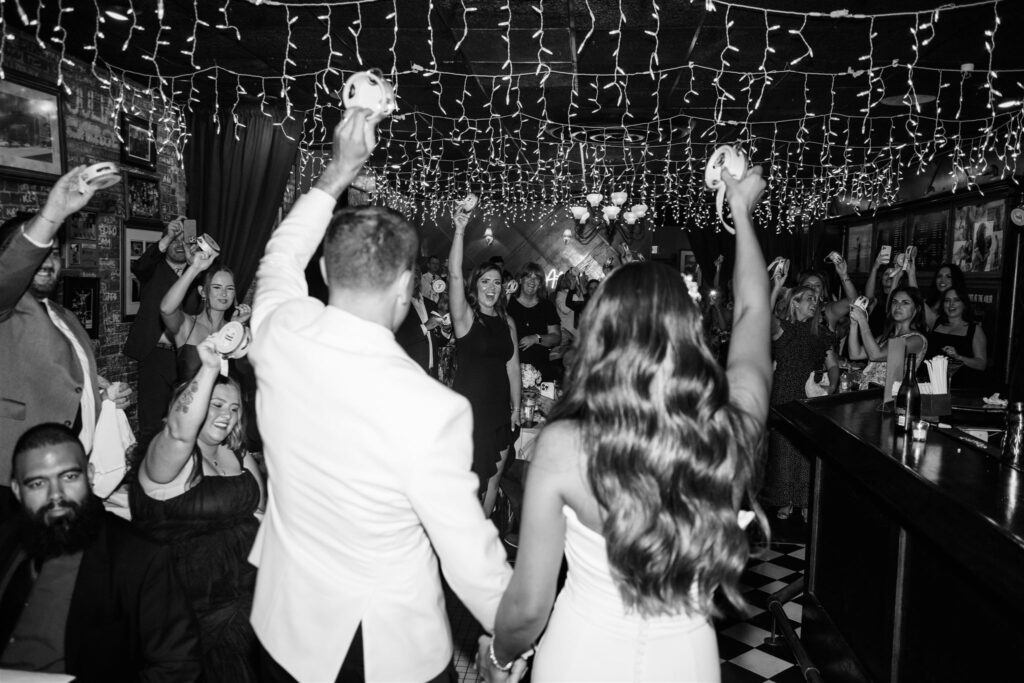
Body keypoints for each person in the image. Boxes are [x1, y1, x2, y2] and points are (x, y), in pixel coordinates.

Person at [247, 109, 512, 683]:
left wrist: (338, 172)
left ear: (325, 266)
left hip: (280, 633)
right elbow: (471, 559)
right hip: (385, 653)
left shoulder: (277, 333)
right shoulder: (434, 410)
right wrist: (511, 637)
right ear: (405, 288)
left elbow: (278, 256)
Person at [479, 166, 772, 682]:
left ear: (600, 336)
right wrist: (742, 212)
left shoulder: (565, 444)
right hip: (685, 662)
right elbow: (752, 312)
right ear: (689, 335)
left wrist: (500, 657)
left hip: (580, 655)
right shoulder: (726, 428)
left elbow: (528, 607)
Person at [0, 423, 201, 680]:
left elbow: (179, 667)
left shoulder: (140, 557)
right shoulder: (7, 540)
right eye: (38, 483)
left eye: (69, 477)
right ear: (17, 490)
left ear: (90, 475)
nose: (56, 495)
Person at [131, 336, 266, 681]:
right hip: (193, 608)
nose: (227, 415)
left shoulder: (239, 456)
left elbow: (260, 518)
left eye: (235, 408)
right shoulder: (168, 459)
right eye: (217, 404)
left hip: (253, 597)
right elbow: (179, 433)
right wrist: (208, 367)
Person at [0, 168, 133, 516]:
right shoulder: (6, 308)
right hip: (18, 475)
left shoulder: (64, 315)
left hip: (73, 472)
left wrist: (103, 396)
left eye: (56, 253)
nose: (49, 260)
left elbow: (70, 386)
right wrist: (53, 214)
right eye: (40, 251)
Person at [449, 203, 522, 515]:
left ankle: (484, 541)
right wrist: (460, 230)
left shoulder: (508, 322)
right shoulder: (465, 318)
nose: (492, 288)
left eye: (497, 282)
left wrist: (517, 408)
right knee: (466, 484)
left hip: (499, 415)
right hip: (470, 414)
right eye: (485, 282)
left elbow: (513, 366)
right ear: (474, 286)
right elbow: (453, 274)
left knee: (493, 481)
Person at [124, 216, 202, 444]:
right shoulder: (152, 269)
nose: (179, 245)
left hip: (186, 356)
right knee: (152, 419)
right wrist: (168, 235)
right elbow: (138, 266)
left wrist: (195, 263)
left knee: (185, 415)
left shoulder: (198, 273)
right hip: (155, 354)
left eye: (183, 241)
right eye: (173, 241)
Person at [764, 285, 837, 520]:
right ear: (795, 303)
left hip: (809, 393)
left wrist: (832, 386)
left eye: (817, 299)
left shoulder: (821, 333)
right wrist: (776, 286)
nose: (815, 302)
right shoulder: (783, 329)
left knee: (806, 450)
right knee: (784, 448)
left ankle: (806, 501)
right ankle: (786, 500)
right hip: (784, 393)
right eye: (809, 298)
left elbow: (833, 364)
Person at [848, 285, 928, 388]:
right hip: (868, 393)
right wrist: (854, 324)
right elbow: (855, 354)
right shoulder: (886, 337)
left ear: (916, 309)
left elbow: (875, 355)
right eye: (894, 302)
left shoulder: (916, 339)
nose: (898, 306)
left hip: (890, 398)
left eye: (905, 303)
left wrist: (863, 321)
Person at [925, 283, 988, 389]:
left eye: (956, 300)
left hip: (960, 388)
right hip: (930, 385)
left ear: (964, 304)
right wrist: (910, 273)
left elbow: (982, 364)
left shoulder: (974, 330)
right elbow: (917, 299)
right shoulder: (935, 322)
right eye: (947, 300)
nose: (951, 304)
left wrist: (958, 357)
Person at [507, 262, 561, 382]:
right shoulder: (508, 303)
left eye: (537, 278)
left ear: (540, 284)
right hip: (511, 371)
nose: (532, 281)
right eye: (528, 276)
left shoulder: (547, 306)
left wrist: (536, 338)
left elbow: (557, 337)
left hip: (540, 372)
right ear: (520, 279)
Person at [395, 261, 444, 373]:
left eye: (417, 271)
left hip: (432, 372)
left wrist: (445, 331)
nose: (415, 275)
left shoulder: (431, 304)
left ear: (421, 275)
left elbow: (437, 342)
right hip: (411, 372)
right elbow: (399, 339)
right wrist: (425, 327)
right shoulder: (399, 305)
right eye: (411, 272)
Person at [912, 262, 966, 330]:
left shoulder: (956, 306)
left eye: (948, 276)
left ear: (956, 280)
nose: (942, 280)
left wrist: (911, 274)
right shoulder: (929, 301)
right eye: (939, 276)